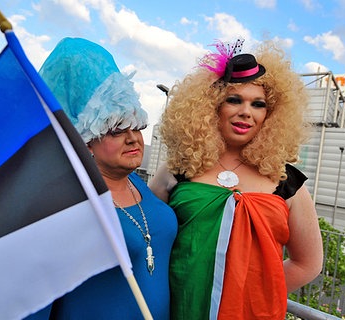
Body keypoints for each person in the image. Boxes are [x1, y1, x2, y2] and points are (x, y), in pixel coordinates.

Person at [149, 39, 323, 319]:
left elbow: (308, 263)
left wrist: (252, 293)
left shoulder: (286, 182)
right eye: (234, 100)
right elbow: (149, 241)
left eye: (258, 104)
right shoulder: (176, 168)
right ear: (212, 106)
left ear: (271, 114)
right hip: (178, 311)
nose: (246, 112)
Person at [29, 37, 177, 319]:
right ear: (86, 141)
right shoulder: (64, 205)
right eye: (116, 130)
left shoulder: (141, 187)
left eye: (136, 126)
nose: (133, 138)